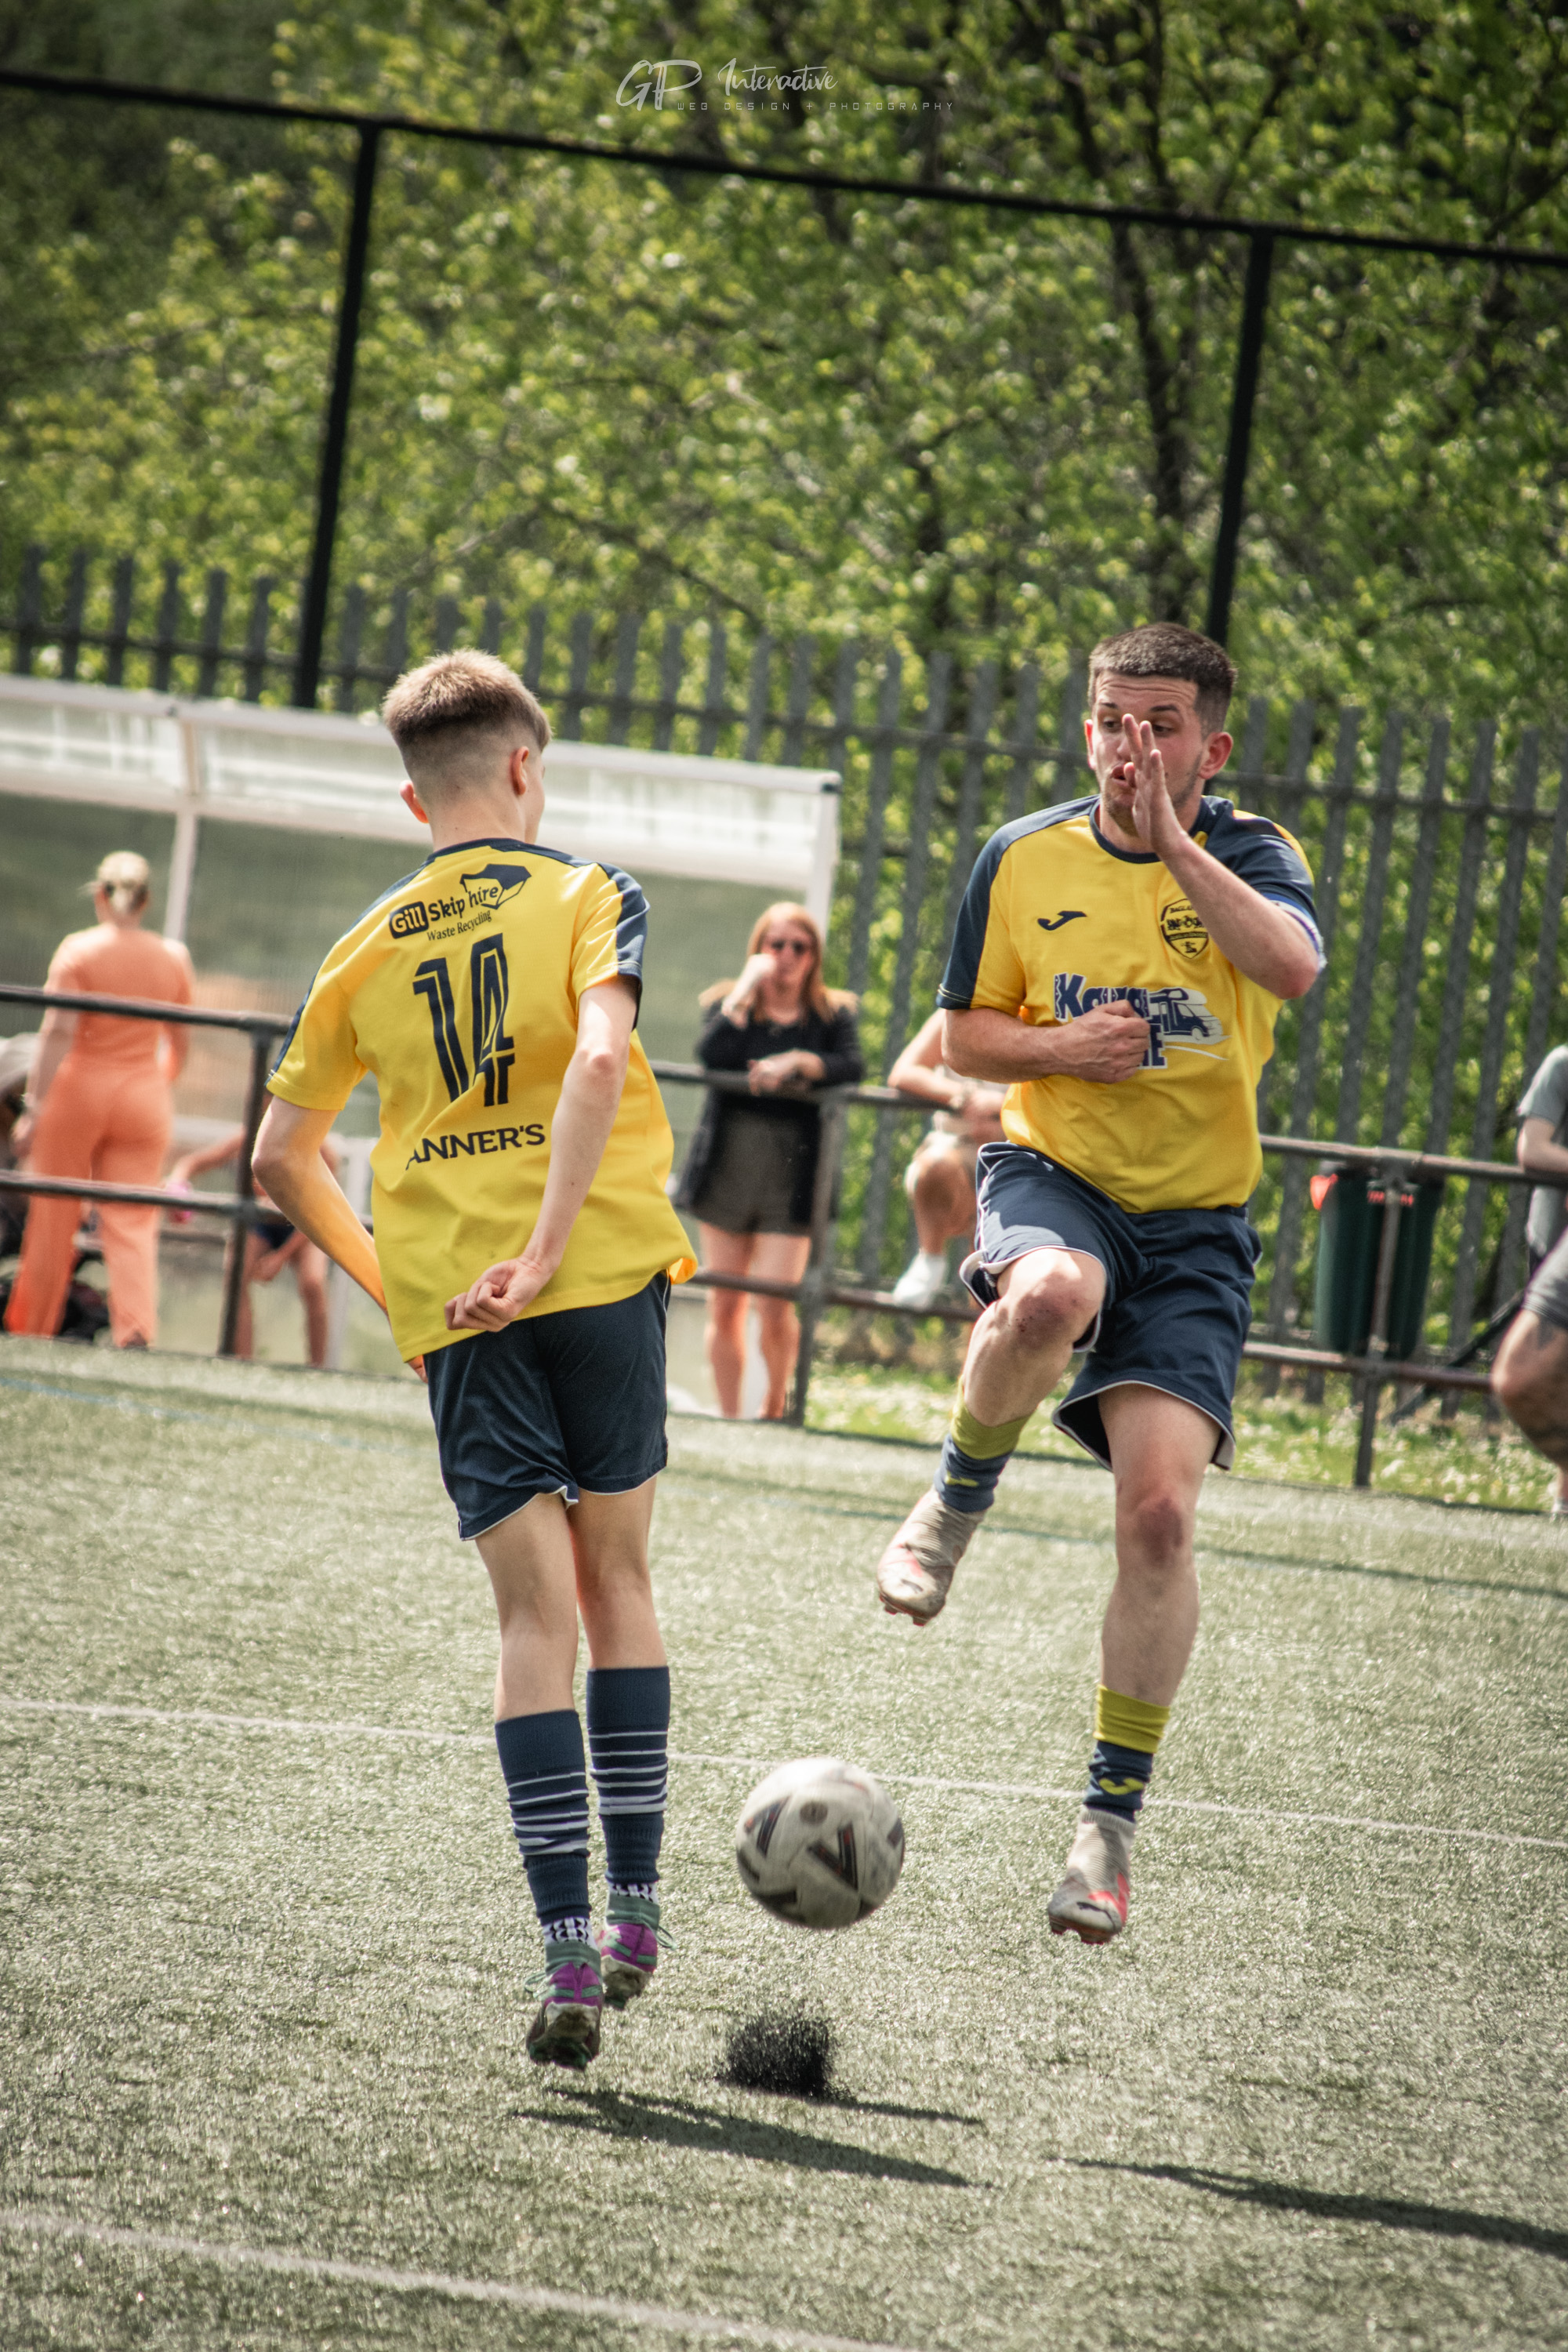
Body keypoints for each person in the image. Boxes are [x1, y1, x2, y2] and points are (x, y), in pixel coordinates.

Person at [254, 650, 695, 2073]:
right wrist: (552, 1246)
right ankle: (633, 1917)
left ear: (410, 795)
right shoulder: (588, 892)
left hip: (460, 1310)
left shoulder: (363, 948)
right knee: (617, 1579)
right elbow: (595, 1067)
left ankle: (560, 1945)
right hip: (600, 1271)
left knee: (528, 1621)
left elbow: (282, 1157)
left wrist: (415, 1293)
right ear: (524, 767)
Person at [873, 622, 1322, 1946]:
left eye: (1163, 724)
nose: (1135, 745)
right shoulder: (1020, 856)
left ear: (1211, 746)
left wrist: (1175, 845)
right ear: (1086, 732)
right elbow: (963, 1035)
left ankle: (1105, 1831)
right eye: (1115, 721)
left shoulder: (1254, 856)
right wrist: (1066, 1045)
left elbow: (1293, 969)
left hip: (1194, 1233)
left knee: (1163, 1525)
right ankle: (952, 1505)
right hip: (1058, 1178)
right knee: (1051, 1294)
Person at [676, 903, 862, 1417]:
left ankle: (774, 1409)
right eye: (775, 945)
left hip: (792, 1178)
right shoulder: (727, 1003)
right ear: (759, 949)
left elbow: (853, 1064)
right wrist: (744, 990)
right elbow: (712, 1053)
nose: (785, 957)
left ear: (813, 957)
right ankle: (730, 1413)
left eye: (798, 947)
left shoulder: (831, 1015)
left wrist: (801, 1062)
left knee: (775, 1306)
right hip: (727, 1172)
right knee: (726, 1302)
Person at [5, 851, 194, 1348]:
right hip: (143, 1096)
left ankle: (32, 1329)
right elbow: (180, 1043)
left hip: (77, 1094)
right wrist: (155, 1084)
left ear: (99, 896)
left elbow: (57, 1031)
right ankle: (135, 1332)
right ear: (147, 900)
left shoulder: (78, 951)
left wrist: (34, 1108)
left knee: (53, 1218)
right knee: (133, 1221)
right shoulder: (173, 958)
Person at [168, 1127, 342, 1367]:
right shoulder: (249, 1136)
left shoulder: (320, 1147)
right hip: (264, 1223)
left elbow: (322, 1211)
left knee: (313, 1282)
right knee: (236, 1274)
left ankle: (318, 1367)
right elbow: (192, 1163)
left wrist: (280, 1257)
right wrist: (177, 1186)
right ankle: (243, 1361)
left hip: (304, 1224)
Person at [1491, 1045, 1568, 1515]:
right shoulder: (1563, 1064)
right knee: (1541, 1376)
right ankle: (1563, 1499)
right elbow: (1532, 1150)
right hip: (1551, 1242)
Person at [887, 1008, 1007, 1308]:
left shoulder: (1042, 1008)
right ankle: (930, 1255)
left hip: (1018, 1157)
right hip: (957, 1149)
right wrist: (965, 1097)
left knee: (992, 1299)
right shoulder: (955, 1012)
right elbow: (904, 1072)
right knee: (936, 1168)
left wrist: (1004, 1109)